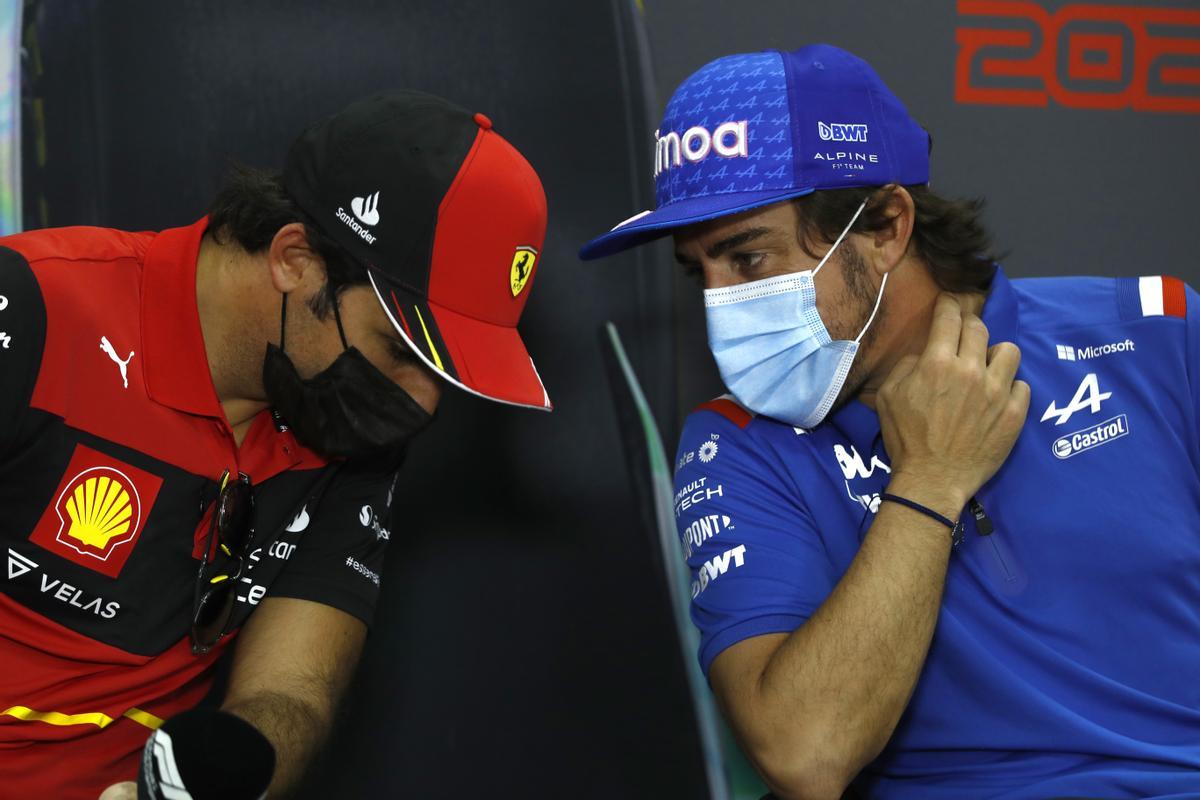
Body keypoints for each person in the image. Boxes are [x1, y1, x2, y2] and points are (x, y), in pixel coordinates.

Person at [581, 44, 1200, 799]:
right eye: (698, 272)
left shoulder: (1155, 332)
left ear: (883, 226)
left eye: (746, 260)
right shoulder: (737, 446)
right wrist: (930, 482)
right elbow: (806, 754)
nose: (717, 307)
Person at [0, 91, 550, 799]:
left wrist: (206, 786)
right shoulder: (34, 316)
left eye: (446, 372)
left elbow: (292, 695)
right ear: (295, 258)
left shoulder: (352, 431)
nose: (422, 402)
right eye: (400, 349)